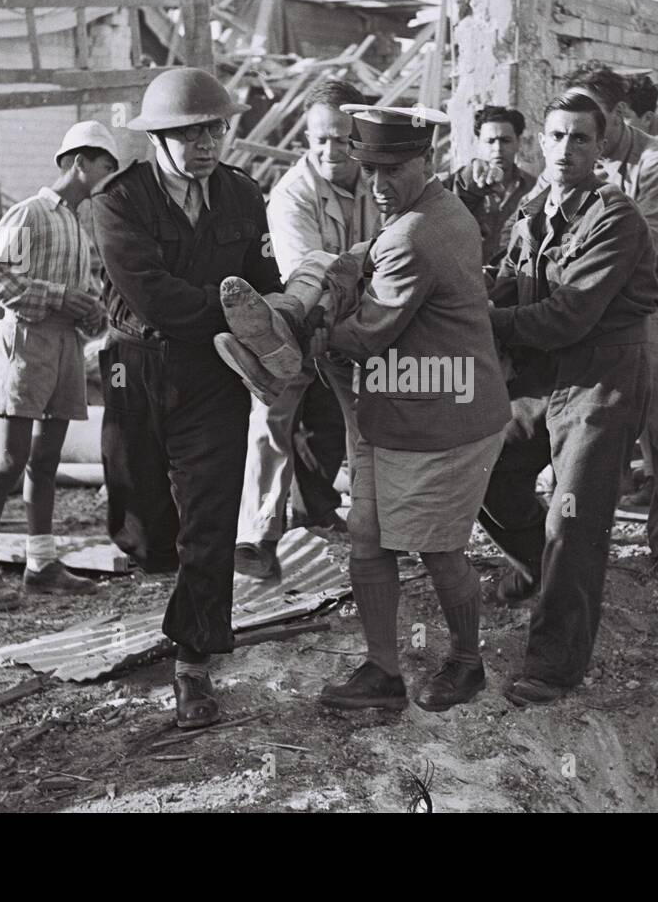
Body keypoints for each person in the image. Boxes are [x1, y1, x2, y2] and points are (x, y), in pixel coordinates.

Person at [92, 68, 280, 729]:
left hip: (213, 375)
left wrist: (268, 320)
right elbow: (156, 298)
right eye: (189, 132)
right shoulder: (118, 200)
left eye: (215, 129)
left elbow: (265, 285)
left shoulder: (244, 197)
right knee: (145, 527)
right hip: (136, 372)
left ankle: (193, 663)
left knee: (212, 517)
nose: (206, 143)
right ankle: (158, 556)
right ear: (158, 139)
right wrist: (233, 310)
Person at [313, 105, 511, 713]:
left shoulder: (415, 233)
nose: (377, 183)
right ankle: (382, 671)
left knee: (437, 547)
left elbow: (364, 336)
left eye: (391, 169)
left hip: (441, 419)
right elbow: (385, 250)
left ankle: (467, 662)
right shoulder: (437, 208)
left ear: (424, 159)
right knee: (368, 537)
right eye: (368, 168)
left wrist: (309, 326)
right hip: (400, 408)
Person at [479, 92, 658, 704]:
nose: (564, 149)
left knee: (575, 518)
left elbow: (568, 315)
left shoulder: (617, 218)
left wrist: (487, 320)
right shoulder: (534, 209)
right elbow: (509, 280)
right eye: (555, 137)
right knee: (482, 470)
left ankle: (554, 665)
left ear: (600, 146)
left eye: (579, 138)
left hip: (599, 378)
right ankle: (538, 567)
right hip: (540, 376)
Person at [562, 61, 658, 583]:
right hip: (620, 295)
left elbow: (638, 243)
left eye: (596, 118)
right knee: (614, 412)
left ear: (621, 113)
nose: (584, 134)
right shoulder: (588, 156)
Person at [232, 78, 379, 580]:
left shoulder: (377, 182)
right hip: (302, 318)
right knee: (271, 418)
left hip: (358, 320)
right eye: (321, 139)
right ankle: (256, 537)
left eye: (342, 138)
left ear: (359, 136)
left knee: (367, 424)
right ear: (308, 141)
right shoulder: (293, 193)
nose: (331, 149)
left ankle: (368, 531)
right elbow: (309, 268)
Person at [0, 121, 117, 607]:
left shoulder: (76, 223)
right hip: (24, 343)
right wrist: (60, 298)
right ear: (79, 162)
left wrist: (93, 310)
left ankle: (41, 564)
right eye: (104, 166)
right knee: (10, 459)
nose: (108, 177)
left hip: (64, 348)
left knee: (45, 462)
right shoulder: (31, 213)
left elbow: (85, 297)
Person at [444, 106, 538, 280]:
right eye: (490, 141)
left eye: (505, 140)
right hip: (463, 279)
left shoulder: (534, 188)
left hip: (513, 281)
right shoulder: (457, 185)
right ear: (478, 142)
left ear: (518, 142)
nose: (498, 148)